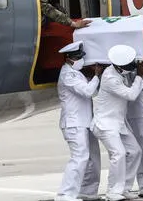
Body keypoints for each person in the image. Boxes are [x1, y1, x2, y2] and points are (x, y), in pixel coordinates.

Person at [90, 44, 143, 201]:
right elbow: (131, 95)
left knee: (135, 152)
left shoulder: (118, 72)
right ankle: (112, 192)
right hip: (105, 124)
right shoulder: (110, 78)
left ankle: (124, 188)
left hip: (118, 124)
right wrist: (140, 76)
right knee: (119, 153)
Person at [55, 40, 103, 201]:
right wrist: (96, 75)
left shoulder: (77, 73)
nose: (81, 60)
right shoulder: (68, 75)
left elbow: (93, 92)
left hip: (85, 122)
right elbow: (88, 92)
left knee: (92, 158)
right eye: (78, 57)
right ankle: (65, 194)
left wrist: (95, 77)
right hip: (74, 123)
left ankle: (87, 191)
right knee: (79, 157)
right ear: (69, 59)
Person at [125, 62, 143, 198]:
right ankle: (123, 186)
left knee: (142, 148)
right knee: (123, 152)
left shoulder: (136, 66)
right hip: (116, 113)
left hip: (136, 113)